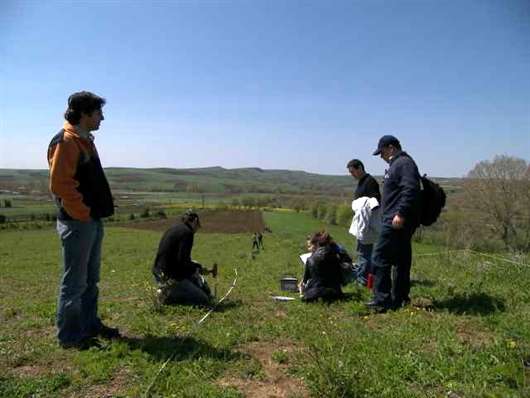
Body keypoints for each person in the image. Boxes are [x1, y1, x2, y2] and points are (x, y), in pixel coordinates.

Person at [48, 91, 119, 349]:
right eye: (99, 112)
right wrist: (83, 213)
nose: (102, 117)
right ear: (86, 113)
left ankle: (89, 325)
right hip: (78, 222)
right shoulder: (66, 141)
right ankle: (70, 336)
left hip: (90, 220)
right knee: (75, 282)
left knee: (90, 279)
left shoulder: (84, 139)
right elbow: (61, 186)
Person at [367, 135, 421, 312]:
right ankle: (400, 298)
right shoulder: (396, 164)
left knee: (379, 258)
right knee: (401, 260)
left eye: (381, 152)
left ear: (391, 148)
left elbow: (411, 189)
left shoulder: (404, 163)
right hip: (395, 219)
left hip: (395, 220)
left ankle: (382, 300)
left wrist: (401, 214)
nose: (380, 156)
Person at [152, 210, 214, 306]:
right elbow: (183, 261)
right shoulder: (187, 233)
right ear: (195, 221)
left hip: (159, 272)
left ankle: (167, 290)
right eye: (198, 226)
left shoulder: (174, 228)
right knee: (203, 300)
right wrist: (196, 268)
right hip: (171, 276)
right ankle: (168, 296)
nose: (197, 230)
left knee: (194, 274)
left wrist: (196, 267)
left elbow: (179, 260)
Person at [347, 159, 381, 285]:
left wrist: (363, 206)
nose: (352, 175)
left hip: (367, 224)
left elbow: (375, 201)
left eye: (352, 171)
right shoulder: (362, 181)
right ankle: (365, 276)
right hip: (362, 223)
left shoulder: (370, 181)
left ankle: (363, 280)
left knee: (364, 253)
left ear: (360, 168)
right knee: (362, 251)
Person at [299, 232, 349, 302]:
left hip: (314, 294)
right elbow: (341, 279)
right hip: (335, 294)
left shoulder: (310, 259)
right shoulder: (335, 257)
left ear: (317, 244)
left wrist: (301, 293)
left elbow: (305, 281)